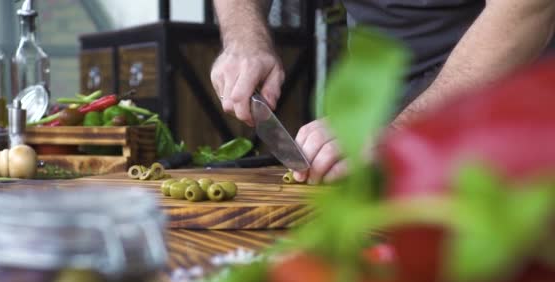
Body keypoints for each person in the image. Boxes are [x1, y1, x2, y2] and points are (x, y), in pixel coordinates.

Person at [210, 0, 555, 184]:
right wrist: (245, 39)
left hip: (514, 122)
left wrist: (402, 131)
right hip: (383, 117)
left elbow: (526, 9)